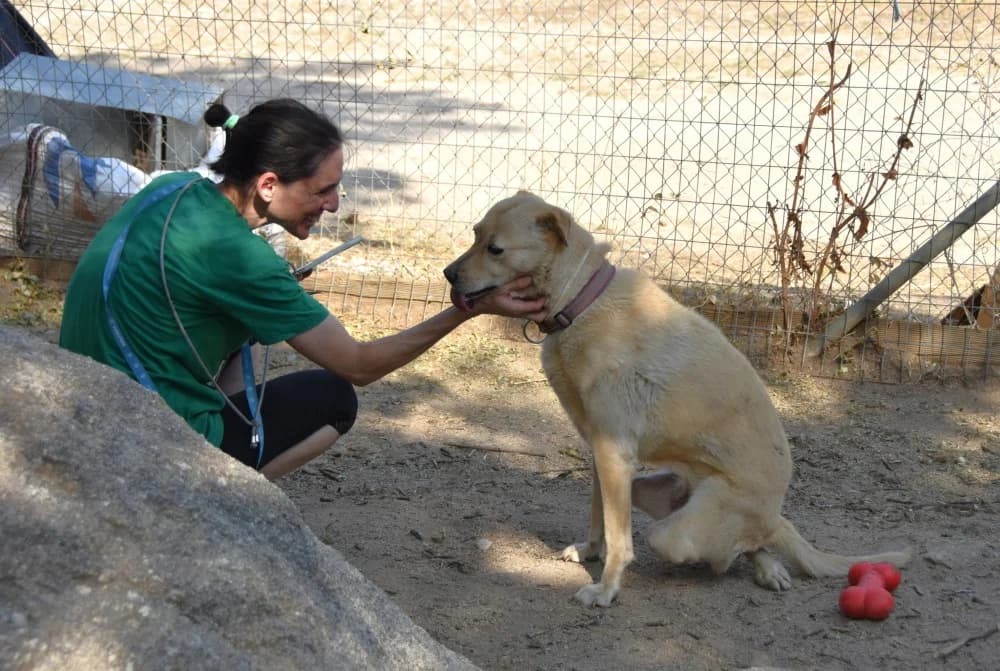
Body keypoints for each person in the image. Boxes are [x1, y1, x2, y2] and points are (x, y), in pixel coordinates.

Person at [59, 98, 547, 480]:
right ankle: (221, 501)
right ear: (268, 185)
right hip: (149, 443)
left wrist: (260, 301)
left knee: (246, 334)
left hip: (82, 414)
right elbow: (359, 365)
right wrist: (466, 310)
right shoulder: (244, 262)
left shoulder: (170, 190)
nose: (333, 204)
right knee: (334, 398)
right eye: (322, 190)